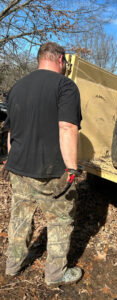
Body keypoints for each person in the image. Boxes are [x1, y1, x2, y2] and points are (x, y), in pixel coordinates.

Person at [0, 42, 82, 287]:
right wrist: (72, 168)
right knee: (59, 222)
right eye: (65, 62)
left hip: (18, 167)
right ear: (59, 60)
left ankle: (12, 266)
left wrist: (14, 161)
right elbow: (67, 127)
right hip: (51, 171)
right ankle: (55, 276)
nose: (66, 66)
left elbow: (10, 131)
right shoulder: (65, 86)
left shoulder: (17, 87)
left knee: (20, 218)